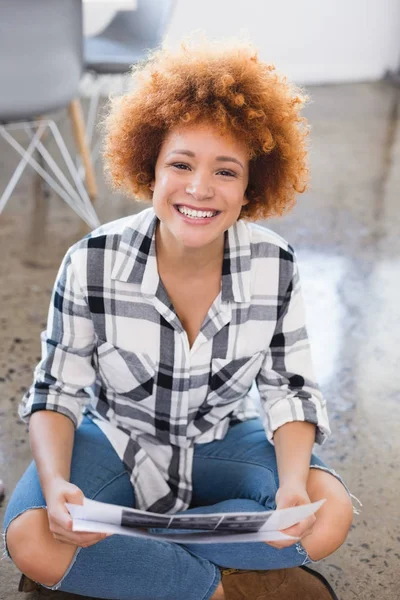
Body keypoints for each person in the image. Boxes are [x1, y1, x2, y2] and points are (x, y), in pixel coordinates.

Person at [3, 36, 355, 600]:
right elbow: (57, 392)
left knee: (329, 512)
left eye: (226, 171)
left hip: (222, 443)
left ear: (251, 186)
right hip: (115, 442)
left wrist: (290, 486)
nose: (199, 188)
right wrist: (57, 484)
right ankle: (223, 589)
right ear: (150, 166)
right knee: (29, 538)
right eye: (181, 164)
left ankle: (127, 572)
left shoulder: (275, 263)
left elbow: (290, 389)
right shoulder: (91, 261)